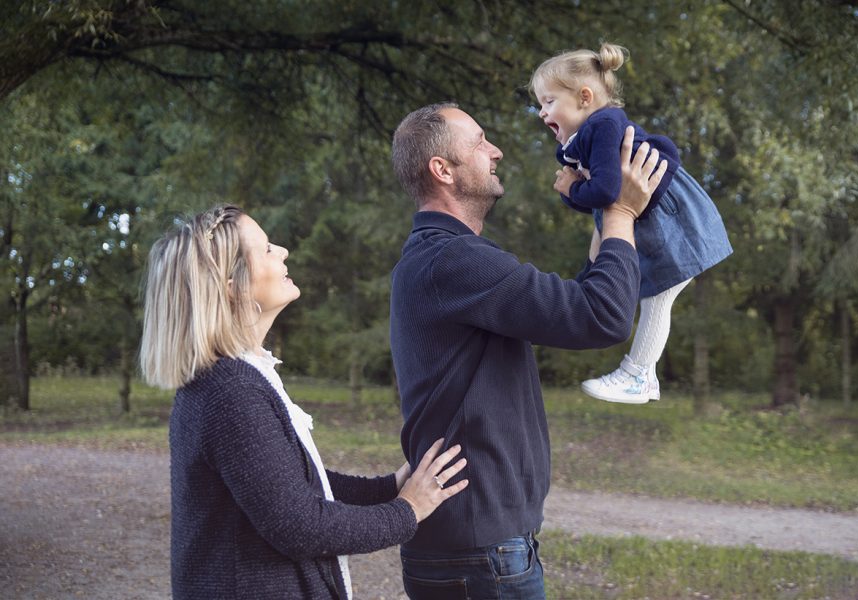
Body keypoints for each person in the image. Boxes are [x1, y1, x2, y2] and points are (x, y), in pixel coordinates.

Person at [389, 103, 665, 598]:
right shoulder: (454, 260)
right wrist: (620, 211)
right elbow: (603, 315)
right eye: (479, 142)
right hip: (479, 552)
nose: (495, 151)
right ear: (442, 169)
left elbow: (576, 304)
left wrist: (605, 211)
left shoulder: (447, 259)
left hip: (475, 548)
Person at [139, 204, 468, 600]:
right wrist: (408, 510)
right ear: (231, 284)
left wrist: (390, 487)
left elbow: (292, 483)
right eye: (266, 249)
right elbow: (300, 525)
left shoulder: (232, 377)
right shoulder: (229, 391)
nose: (283, 251)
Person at [529, 43, 733, 404]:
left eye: (548, 101)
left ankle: (638, 375)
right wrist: (572, 190)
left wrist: (573, 188)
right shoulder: (584, 136)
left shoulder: (604, 125)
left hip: (675, 224)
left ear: (584, 97)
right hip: (652, 221)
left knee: (657, 297)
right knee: (632, 284)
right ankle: (589, 310)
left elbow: (606, 191)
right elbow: (599, 199)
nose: (541, 111)